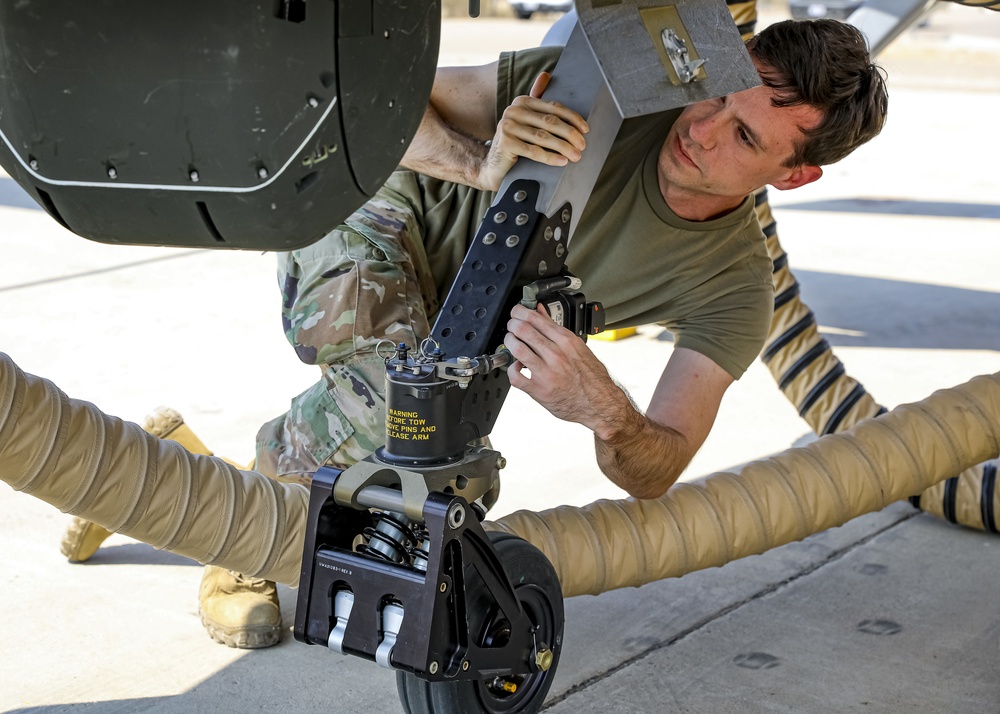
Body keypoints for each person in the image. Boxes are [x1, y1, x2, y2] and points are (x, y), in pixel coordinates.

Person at [62, 18, 889, 649]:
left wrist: (608, 413)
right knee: (399, 396)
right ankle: (241, 545)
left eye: (743, 135)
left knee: (445, 468)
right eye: (714, 97)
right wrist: (476, 159)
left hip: (461, 318)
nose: (699, 128)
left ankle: (171, 477)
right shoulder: (606, 91)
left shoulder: (734, 284)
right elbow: (369, 106)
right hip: (375, 203)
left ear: (796, 173)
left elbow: (657, 465)